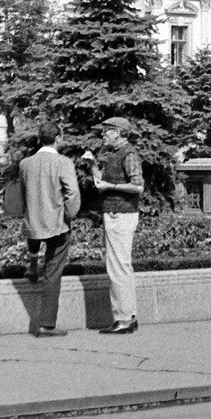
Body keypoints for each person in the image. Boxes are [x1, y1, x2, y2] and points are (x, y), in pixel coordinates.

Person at [20, 125, 81, 338]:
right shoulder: (63, 162)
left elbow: (23, 193)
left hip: (33, 220)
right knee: (53, 272)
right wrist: (69, 215)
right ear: (58, 138)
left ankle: (33, 263)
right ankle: (46, 324)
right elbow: (72, 193)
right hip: (57, 222)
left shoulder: (25, 163)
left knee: (35, 236)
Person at [92, 116, 144, 334]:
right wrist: (93, 165)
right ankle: (128, 316)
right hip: (118, 213)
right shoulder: (117, 154)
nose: (103, 134)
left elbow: (138, 186)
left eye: (107, 131)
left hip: (120, 215)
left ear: (119, 132)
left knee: (117, 267)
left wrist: (110, 185)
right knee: (122, 265)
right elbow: (101, 183)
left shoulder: (128, 154)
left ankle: (122, 319)